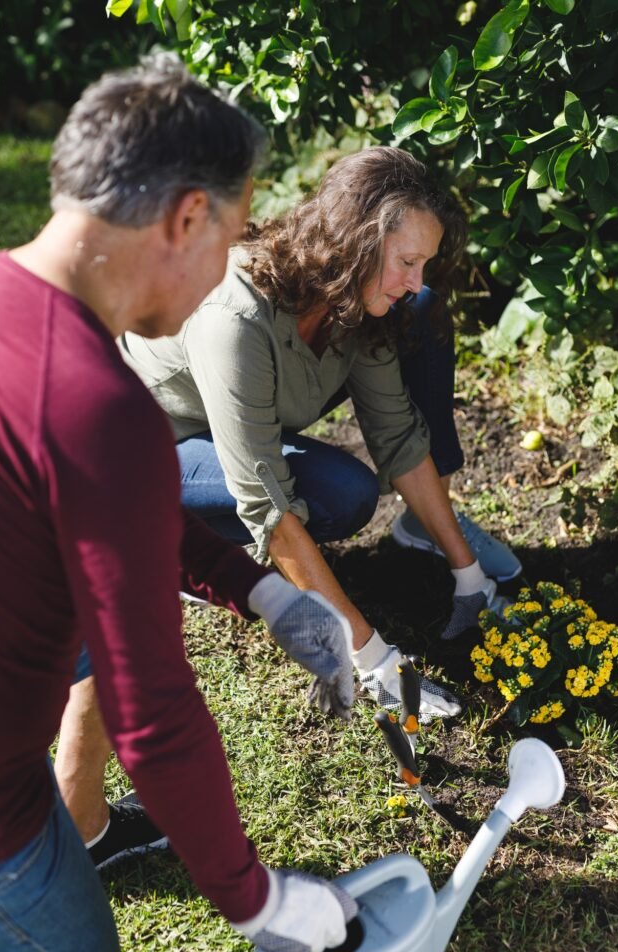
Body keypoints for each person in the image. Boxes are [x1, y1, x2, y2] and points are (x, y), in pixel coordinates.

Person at [0, 54, 358, 952]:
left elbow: (105, 517)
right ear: (187, 218)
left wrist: (264, 590)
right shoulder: (101, 407)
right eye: (230, 239)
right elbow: (155, 713)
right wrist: (254, 894)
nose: (220, 280)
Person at [119, 146, 520, 723]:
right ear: (358, 242)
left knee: (350, 485)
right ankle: (185, 553)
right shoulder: (233, 318)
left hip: (222, 422)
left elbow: (398, 433)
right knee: (322, 498)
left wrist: (469, 577)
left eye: (423, 263)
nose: (415, 281)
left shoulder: (353, 300)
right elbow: (269, 506)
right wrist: (372, 657)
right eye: (407, 262)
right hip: (136, 448)